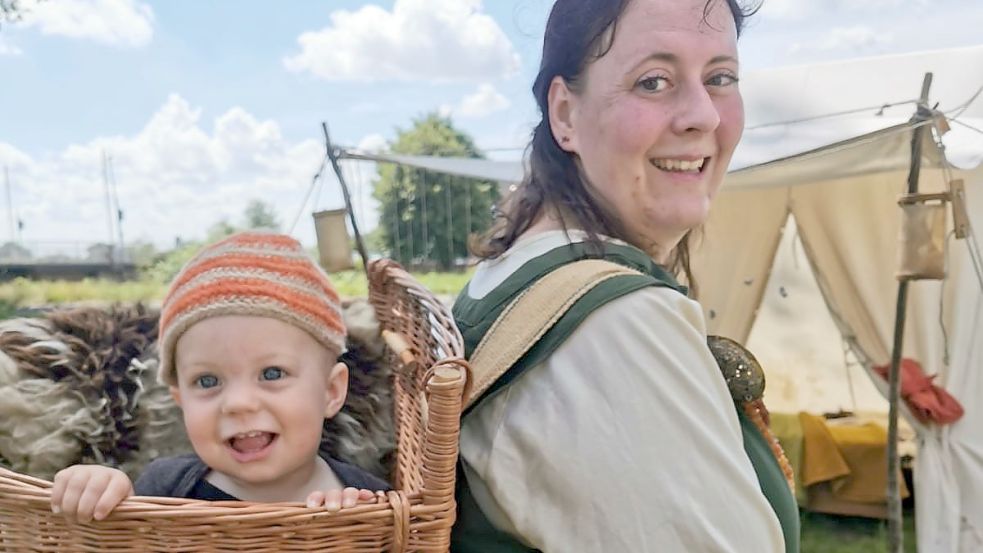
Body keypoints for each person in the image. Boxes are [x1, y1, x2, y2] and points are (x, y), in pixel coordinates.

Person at [451, 0, 799, 551]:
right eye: (654, 81)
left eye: (721, 77)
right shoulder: (615, 323)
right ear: (565, 114)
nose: (703, 115)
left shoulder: (509, 272)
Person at [50, 231, 389, 523]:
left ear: (331, 391)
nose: (238, 404)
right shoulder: (164, 490)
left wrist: (364, 526)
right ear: (180, 399)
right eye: (208, 381)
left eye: (272, 373)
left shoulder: (367, 498)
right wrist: (102, 496)